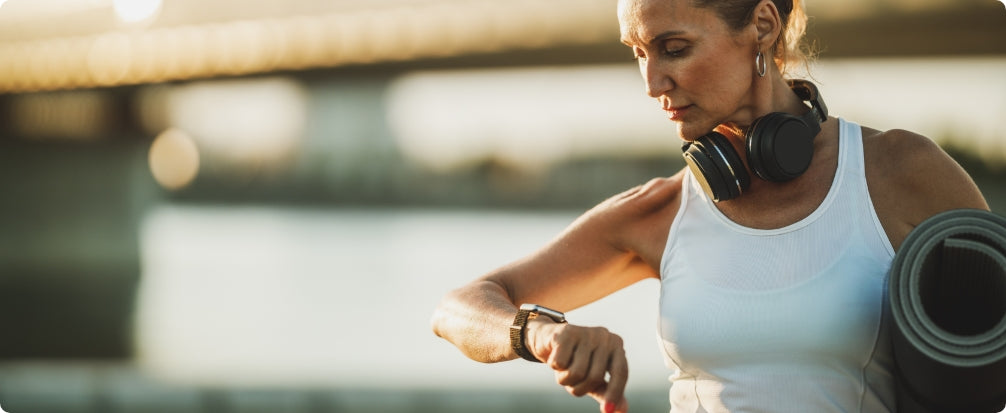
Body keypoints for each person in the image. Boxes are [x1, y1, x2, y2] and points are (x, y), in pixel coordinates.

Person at [430, 0, 990, 411]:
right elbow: (458, 309)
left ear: (763, 26)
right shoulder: (662, 212)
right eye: (639, 54)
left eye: (674, 49)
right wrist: (541, 333)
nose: (652, 82)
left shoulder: (900, 172)